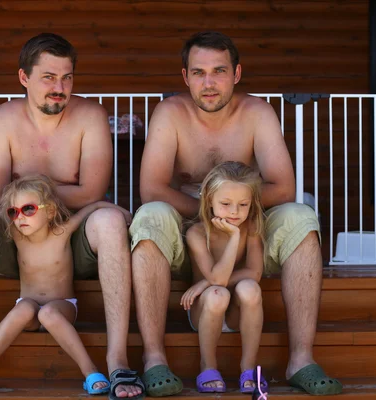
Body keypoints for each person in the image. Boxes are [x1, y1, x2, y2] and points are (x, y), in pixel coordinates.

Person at [0, 33, 144, 400]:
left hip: (72, 242)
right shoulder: (0, 120)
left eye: (67, 77)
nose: (60, 88)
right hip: (18, 241)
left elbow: (91, 192)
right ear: (24, 78)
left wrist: (28, 194)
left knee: (108, 221)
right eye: (48, 77)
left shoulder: (90, 115)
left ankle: (118, 359)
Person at [129, 31, 343, 396]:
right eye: (198, 72)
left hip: (246, 228)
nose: (209, 83)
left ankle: (301, 359)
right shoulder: (170, 112)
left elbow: (283, 187)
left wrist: (234, 214)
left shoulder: (257, 112)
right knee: (150, 214)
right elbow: (152, 188)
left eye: (219, 71)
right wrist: (209, 210)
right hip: (189, 232)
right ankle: (154, 359)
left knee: (300, 216)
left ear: (237, 73)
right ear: (185, 77)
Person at [0, 175, 131, 394]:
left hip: (63, 305)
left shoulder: (62, 232)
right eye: (13, 212)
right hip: (28, 304)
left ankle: (90, 371)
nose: (20, 217)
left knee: (49, 314)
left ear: (51, 211)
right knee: (22, 308)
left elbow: (93, 207)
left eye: (28, 209)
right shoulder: (17, 234)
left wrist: (125, 213)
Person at [180, 161, 267, 395]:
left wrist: (203, 282)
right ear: (209, 200)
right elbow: (218, 280)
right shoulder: (196, 233)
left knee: (250, 288)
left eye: (243, 204)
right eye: (226, 204)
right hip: (206, 309)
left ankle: (249, 368)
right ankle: (207, 366)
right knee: (218, 294)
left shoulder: (252, 227)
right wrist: (234, 237)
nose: (234, 212)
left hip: (239, 310)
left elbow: (254, 273)